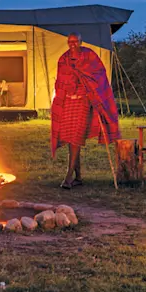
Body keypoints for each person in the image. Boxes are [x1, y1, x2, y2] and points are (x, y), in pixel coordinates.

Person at [50, 32, 121, 189]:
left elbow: (99, 76)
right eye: (70, 42)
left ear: (81, 42)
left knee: (76, 137)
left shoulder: (90, 56)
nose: (72, 44)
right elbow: (60, 81)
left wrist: (88, 87)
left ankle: (68, 177)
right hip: (68, 102)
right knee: (70, 139)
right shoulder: (63, 59)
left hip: (83, 102)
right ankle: (78, 177)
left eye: (75, 41)